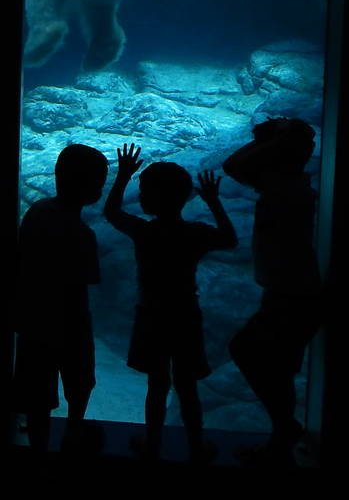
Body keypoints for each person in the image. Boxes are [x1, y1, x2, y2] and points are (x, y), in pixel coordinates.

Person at [102, 143, 236, 463]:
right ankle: (195, 446)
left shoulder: (145, 231)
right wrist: (215, 202)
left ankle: (152, 443)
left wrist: (122, 176)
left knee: (157, 384)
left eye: (145, 190)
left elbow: (111, 213)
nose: (143, 195)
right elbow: (230, 240)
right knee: (186, 386)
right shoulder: (195, 233)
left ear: (153, 197)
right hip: (185, 315)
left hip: (151, 315)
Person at [222, 116, 322, 467]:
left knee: (248, 351)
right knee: (276, 367)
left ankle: (284, 432)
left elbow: (233, 165)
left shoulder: (288, 190)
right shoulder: (287, 185)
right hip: (286, 291)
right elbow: (235, 165)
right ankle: (282, 439)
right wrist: (274, 138)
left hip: (293, 294)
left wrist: (273, 139)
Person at [14, 142, 108, 453]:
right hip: (72, 320)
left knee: (36, 391)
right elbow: (91, 278)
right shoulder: (83, 233)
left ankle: (38, 446)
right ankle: (73, 432)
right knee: (79, 382)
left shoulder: (37, 212)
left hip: (34, 319)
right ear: (92, 187)